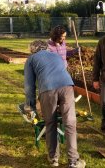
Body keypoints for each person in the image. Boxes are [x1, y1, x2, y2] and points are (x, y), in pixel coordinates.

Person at [23, 40, 85, 168]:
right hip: (67, 87)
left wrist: (31, 106)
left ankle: (53, 159)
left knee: (50, 124)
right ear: (46, 48)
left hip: (47, 90)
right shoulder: (56, 56)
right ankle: (74, 161)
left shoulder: (31, 59)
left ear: (32, 49)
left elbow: (29, 86)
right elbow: (60, 72)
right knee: (70, 124)